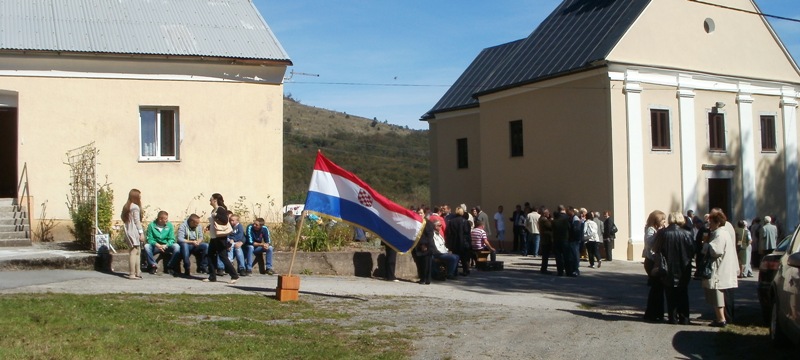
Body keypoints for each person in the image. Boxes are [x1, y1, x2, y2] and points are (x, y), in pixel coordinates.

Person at [653, 212, 695, 325]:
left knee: (670, 293)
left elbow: (656, 248)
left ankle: (673, 318)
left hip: (668, 266)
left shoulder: (662, 233)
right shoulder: (687, 233)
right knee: (683, 293)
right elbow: (692, 250)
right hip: (683, 267)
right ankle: (684, 317)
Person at [702, 211, 739, 327]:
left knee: (717, 294)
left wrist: (706, 245)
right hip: (723, 266)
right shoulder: (723, 232)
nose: (710, 225)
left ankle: (721, 319)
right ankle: (720, 318)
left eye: (711, 222)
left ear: (717, 223)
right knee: (718, 294)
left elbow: (716, 251)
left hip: (719, 268)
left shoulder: (719, 234)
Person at [204, 193, 239, 283]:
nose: (210, 201)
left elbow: (224, 220)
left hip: (220, 237)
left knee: (223, 256)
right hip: (214, 236)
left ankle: (234, 276)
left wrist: (216, 215)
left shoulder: (220, 209)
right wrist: (208, 226)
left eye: (211, 199)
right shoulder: (214, 210)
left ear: (215, 200)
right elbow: (216, 222)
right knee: (210, 255)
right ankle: (212, 276)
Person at [643, 209, 666, 322]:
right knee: (656, 287)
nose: (664, 222)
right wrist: (660, 234)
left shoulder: (655, 229)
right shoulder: (651, 230)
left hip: (654, 260)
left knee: (658, 288)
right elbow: (651, 244)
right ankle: (652, 313)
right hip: (652, 261)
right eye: (662, 220)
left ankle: (657, 312)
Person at [143, 210, 180, 275]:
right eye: (165, 219)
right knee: (147, 246)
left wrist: (166, 245)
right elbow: (149, 239)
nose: (167, 220)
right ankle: (153, 266)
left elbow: (172, 239)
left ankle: (170, 266)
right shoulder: (151, 225)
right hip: (155, 246)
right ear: (160, 219)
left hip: (166, 245)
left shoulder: (169, 225)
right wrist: (157, 244)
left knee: (177, 247)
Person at [121, 189, 144, 280]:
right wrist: (141, 233)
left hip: (128, 229)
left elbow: (123, 217)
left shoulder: (126, 206)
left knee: (137, 251)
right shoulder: (135, 207)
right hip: (134, 230)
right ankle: (132, 274)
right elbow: (137, 221)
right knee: (134, 252)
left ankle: (138, 272)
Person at [446, 207, 471, 276]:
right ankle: (465, 270)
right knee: (464, 258)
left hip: (454, 242)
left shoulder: (451, 221)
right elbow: (467, 233)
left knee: (455, 257)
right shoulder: (465, 221)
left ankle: (455, 271)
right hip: (463, 242)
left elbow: (449, 233)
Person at [414, 220, 435, 285]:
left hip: (426, 246)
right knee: (421, 263)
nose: (419, 214)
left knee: (426, 263)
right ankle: (422, 278)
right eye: (418, 213)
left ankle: (425, 279)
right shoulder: (417, 222)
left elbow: (429, 235)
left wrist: (425, 244)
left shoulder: (427, 223)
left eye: (421, 213)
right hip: (419, 246)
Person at [551, 205, 570, 276]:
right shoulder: (567, 218)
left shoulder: (555, 220)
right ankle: (568, 271)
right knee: (566, 256)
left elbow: (552, 229)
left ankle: (560, 271)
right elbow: (570, 228)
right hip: (565, 239)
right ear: (564, 209)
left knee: (558, 257)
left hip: (556, 239)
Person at [538, 208, 554, 274]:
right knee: (545, 256)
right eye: (548, 213)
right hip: (546, 239)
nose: (549, 214)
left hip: (545, 239)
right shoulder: (544, 220)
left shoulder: (542, 219)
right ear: (544, 213)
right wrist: (551, 221)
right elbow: (550, 226)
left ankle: (544, 268)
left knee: (545, 255)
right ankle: (544, 269)